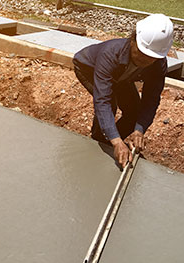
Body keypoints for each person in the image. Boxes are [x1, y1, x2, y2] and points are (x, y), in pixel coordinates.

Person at [73, 14, 174, 168]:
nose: (144, 61)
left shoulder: (158, 64)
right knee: (110, 104)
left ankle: (110, 141)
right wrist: (116, 141)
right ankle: (99, 141)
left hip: (122, 76)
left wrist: (139, 130)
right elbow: (102, 100)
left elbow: (151, 99)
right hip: (88, 68)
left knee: (134, 111)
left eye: (150, 58)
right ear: (133, 40)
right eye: (141, 53)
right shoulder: (110, 53)